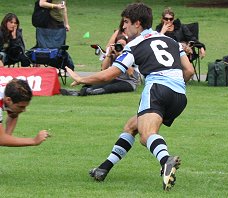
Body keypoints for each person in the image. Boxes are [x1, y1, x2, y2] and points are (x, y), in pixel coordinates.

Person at [66, 3, 194, 191]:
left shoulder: (134, 45)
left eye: (126, 22)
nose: (123, 27)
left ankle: (166, 160)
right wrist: (174, 84)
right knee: (131, 126)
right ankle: (103, 168)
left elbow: (109, 74)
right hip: (180, 95)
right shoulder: (172, 41)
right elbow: (189, 70)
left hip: (157, 89)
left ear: (138, 23)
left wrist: (82, 78)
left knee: (147, 135)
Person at [60, 34, 139, 96]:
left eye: (123, 45)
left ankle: (86, 93)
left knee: (109, 88)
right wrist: (109, 54)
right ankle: (79, 92)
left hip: (129, 82)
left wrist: (120, 55)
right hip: (115, 79)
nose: (121, 47)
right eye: (119, 44)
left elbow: (131, 73)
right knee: (91, 85)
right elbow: (104, 68)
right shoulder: (113, 53)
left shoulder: (129, 54)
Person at [0, 79, 49, 146]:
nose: (24, 110)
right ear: (8, 100)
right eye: (21, 107)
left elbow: (13, 114)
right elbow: (1, 139)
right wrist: (34, 141)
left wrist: (7, 137)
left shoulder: (9, 91)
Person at [34, 0, 74, 71]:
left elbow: (64, 7)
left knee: (59, 48)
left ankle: (59, 67)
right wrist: (55, 6)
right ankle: (37, 66)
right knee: (44, 46)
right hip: (48, 22)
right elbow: (41, 3)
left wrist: (66, 23)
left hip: (59, 23)